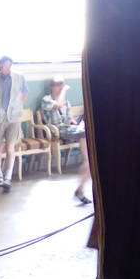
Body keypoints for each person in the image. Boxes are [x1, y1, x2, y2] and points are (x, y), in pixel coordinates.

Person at [40, 76, 92, 204]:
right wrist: (64, 91)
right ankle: (86, 162)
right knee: (84, 132)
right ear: (52, 87)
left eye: (62, 86)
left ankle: (87, 162)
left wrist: (72, 121)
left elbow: (68, 117)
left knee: (83, 127)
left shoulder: (66, 102)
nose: (61, 88)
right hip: (56, 130)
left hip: (68, 128)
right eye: (58, 86)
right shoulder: (46, 100)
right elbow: (58, 105)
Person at [0, 55, 28, 193]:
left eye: (3, 64)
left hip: (14, 118)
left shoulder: (19, 77)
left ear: (10, 65)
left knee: (10, 148)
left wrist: (17, 106)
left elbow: (24, 93)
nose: (0, 66)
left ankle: (8, 177)